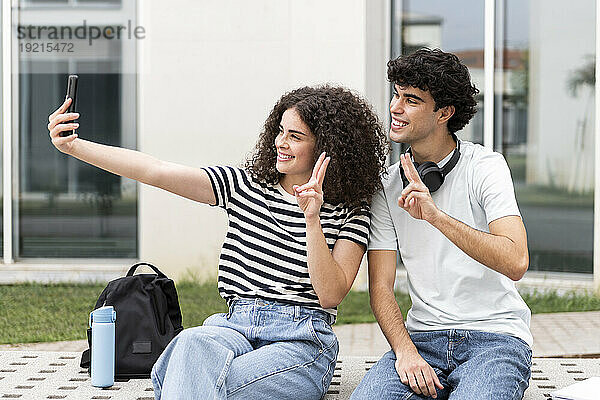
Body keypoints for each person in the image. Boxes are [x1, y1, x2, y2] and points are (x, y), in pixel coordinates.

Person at [47, 85, 388, 399]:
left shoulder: (350, 210)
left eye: (295, 136)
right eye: (280, 131)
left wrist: (311, 218)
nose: (280, 143)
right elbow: (156, 171)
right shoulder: (245, 186)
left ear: (327, 148)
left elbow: (331, 293)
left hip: (300, 341)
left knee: (197, 379)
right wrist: (75, 147)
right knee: (191, 344)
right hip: (233, 326)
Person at [351, 48, 532, 400]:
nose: (395, 107)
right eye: (396, 94)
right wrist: (404, 351)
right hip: (422, 340)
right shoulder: (387, 186)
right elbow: (381, 289)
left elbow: (516, 261)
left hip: (495, 339)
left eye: (412, 100)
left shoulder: (486, 167)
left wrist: (436, 217)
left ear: (444, 113)